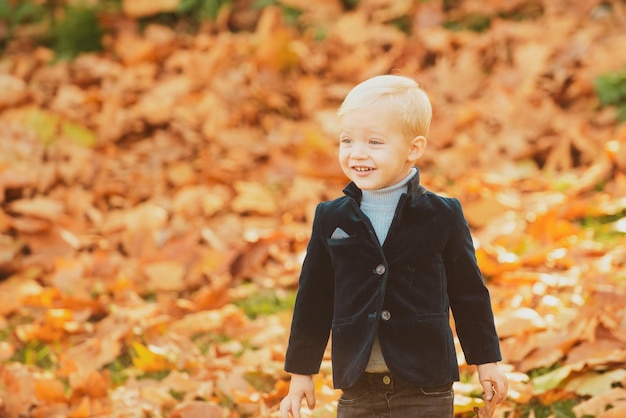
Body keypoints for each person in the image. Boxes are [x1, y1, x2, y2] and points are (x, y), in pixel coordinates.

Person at [279, 74, 508, 418]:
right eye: (347, 140)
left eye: (374, 142)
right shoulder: (331, 217)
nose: (357, 153)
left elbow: (468, 293)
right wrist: (301, 373)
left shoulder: (442, 215)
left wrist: (486, 361)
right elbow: (314, 299)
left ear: (413, 149)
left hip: (425, 386)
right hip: (358, 387)